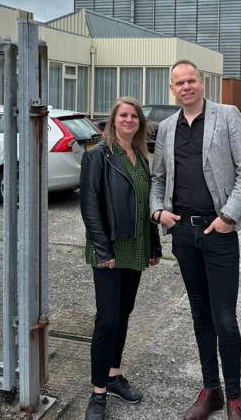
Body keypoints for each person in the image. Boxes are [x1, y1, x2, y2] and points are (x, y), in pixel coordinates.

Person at [150, 60, 241, 420]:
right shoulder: (166, 128)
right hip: (183, 234)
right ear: (172, 89)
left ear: (202, 83)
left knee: (225, 318)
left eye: (191, 80)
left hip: (218, 233)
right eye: (179, 82)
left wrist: (228, 218)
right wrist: (157, 213)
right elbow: (158, 180)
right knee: (200, 315)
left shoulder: (227, 116)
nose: (186, 87)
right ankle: (211, 390)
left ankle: (235, 398)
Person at [80, 97, 162, 420]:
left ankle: (113, 375)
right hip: (110, 251)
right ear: (112, 121)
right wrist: (103, 250)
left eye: (134, 116)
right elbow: (90, 206)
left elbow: (145, 206)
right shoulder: (98, 156)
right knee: (108, 319)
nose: (129, 120)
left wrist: (153, 246)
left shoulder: (141, 157)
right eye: (123, 115)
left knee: (124, 314)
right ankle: (97, 393)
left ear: (140, 123)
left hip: (136, 249)